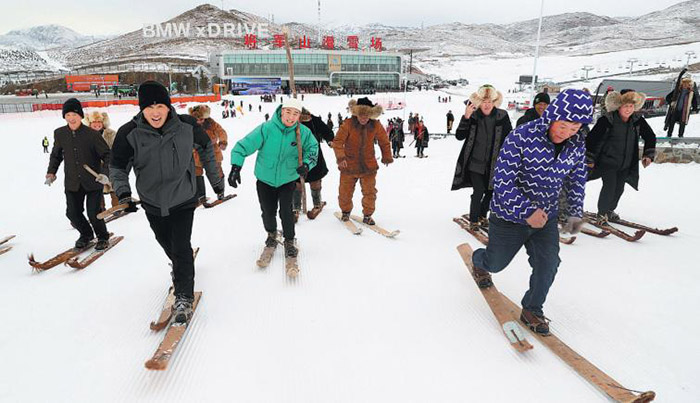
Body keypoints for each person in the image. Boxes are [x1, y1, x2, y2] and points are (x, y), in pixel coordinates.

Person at [470, 89, 594, 335]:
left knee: (548, 262)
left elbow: (576, 180)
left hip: (545, 217)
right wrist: (526, 211)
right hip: (509, 217)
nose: (567, 133)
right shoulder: (522, 136)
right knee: (495, 263)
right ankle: (479, 261)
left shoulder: (577, 143)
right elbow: (502, 182)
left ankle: (532, 309)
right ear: (553, 116)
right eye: (563, 126)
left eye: (574, 128)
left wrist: (574, 212)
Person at [110, 81, 226, 324]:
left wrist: (216, 181)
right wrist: (123, 194)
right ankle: (180, 265)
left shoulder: (186, 126)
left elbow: (207, 148)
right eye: (149, 107)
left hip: (184, 197)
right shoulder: (128, 133)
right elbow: (118, 167)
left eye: (160, 105)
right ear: (141, 108)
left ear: (168, 106)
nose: (155, 112)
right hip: (152, 202)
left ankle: (184, 295)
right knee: (167, 244)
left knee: (181, 246)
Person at [227, 98, 318, 267]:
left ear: (299, 116)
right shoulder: (266, 129)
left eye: (295, 113)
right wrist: (235, 167)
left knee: (286, 212)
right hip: (265, 179)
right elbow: (243, 146)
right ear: (281, 111)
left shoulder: (303, 133)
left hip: (288, 179)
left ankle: (289, 240)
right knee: (268, 211)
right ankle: (271, 234)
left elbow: (313, 150)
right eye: (288, 112)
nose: (291, 117)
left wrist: (307, 164)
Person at [46, 98, 111, 250]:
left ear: (80, 116)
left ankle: (102, 237)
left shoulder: (92, 135)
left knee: (93, 213)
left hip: (93, 181)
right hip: (72, 181)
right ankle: (86, 234)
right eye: (67, 115)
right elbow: (56, 155)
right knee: (72, 213)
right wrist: (51, 172)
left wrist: (104, 173)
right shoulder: (60, 134)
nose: (71, 118)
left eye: (74, 114)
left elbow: (108, 155)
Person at [586, 90, 656, 223]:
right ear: (619, 106)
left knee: (619, 188)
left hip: (626, 163)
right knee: (610, 187)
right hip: (607, 163)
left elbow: (650, 136)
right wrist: (589, 158)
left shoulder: (637, 121)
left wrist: (648, 154)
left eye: (631, 106)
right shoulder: (607, 120)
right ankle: (602, 213)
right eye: (625, 106)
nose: (628, 109)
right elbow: (591, 139)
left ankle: (609, 210)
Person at [451, 84, 513, 229]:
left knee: (491, 191)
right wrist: (465, 117)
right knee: (478, 191)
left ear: (494, 102)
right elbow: (460, 136)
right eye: (484, 102)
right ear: (480, 103)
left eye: (490, 102)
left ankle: (482, 215)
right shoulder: (473, 116)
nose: (487, 105)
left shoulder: (502, 116)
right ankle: (473, 219)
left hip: (494, 163)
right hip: (474, 163)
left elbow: (509, 138)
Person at [332, 97, 393, 224]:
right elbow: (338, 142)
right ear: (356, 113)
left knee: (370, 193)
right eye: (361, 115)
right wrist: (341, 158)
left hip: (368, 166)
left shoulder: (375, 125)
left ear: (371, 115)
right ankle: (345, 212)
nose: (363, 118)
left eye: (366, 116)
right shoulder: (348, 124)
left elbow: (384, 141)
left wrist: (386, 156)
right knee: (345, 192)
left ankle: (367, 215)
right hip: (348, 165)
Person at [292, 107, 335, 219]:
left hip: (314, 156)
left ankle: (317, 204)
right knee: (296, 183)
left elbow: (327, 131)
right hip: (296, 156)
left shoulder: (315, 120)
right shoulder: (291, 121)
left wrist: (330, 140)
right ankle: (296, 207)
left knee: (315, 180)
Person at [188, 104, 228, 201]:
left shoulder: (211, 123)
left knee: (216, 171)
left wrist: (223, 141)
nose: (201, 121)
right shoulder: (190, 125)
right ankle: (200, 196)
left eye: (203, 119)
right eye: (199, 119)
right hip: (197, 154)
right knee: (196, 173)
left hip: (213, 153)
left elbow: (221, 131)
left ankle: (220, 192)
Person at [83, 110, 120, 208]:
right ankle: (100, 207)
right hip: (94, 166)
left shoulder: (111, 134)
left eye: (99, 122)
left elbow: (116, 149)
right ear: (90, 124)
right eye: (94, 122)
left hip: (109, 164)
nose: (96, 125)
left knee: (113, 185)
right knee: (97, 188)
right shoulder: (85, 136)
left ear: (103, 123)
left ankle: (116, 205)